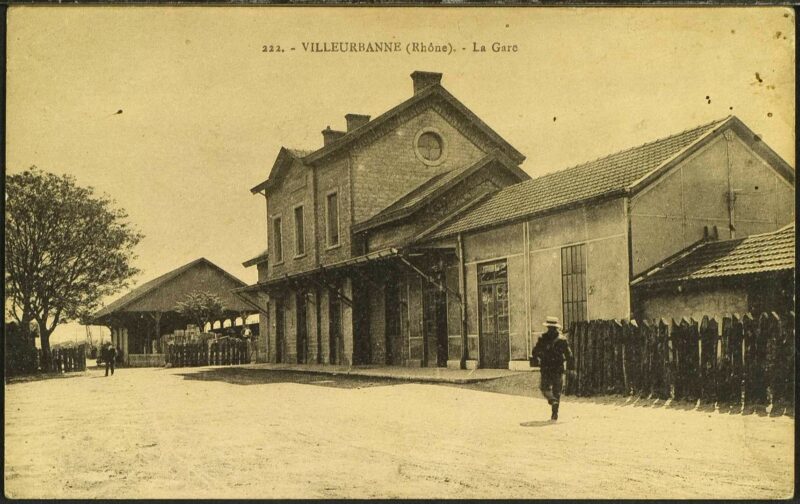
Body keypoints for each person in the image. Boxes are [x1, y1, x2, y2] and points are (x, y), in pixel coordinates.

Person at [530, 316, 573, 421]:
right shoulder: (562, 339)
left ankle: (551, 399)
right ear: (557, 327)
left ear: (548, 327)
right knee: (557, 390)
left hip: (546, 368)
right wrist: (571, 368)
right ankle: (555, 413)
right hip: (558, 368)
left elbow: (534, 351)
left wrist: (538, 357)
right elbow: (569, 355)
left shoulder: (543, 338)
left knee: (544, 387)